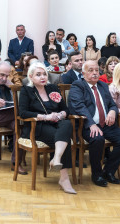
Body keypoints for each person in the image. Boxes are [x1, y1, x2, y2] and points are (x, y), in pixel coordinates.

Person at [68, 60, 120, 187]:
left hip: (106, 124)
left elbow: (112, 105)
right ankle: (96, 174)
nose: (94, 73)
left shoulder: (103, 86)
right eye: (90, 70)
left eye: (97, 70)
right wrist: (91, 124)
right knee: (98, 139)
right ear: (83, 73)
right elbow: (79, 106)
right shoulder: (77, 86)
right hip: (86, 125)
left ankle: (108, 171)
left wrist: (113, 112)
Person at [19, 61, 76, 194]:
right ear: (31, 77)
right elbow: (22, 113)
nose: (43, 77)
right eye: (38, 75)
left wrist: (61, 114)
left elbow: (65, 109)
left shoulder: (53, 88)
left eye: (44, 74)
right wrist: (45, 117)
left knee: (67, 124)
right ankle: (64, 178)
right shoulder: (27, 90)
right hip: (36, 126)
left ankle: (56, 158)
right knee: (64, 138)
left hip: (56, 123)